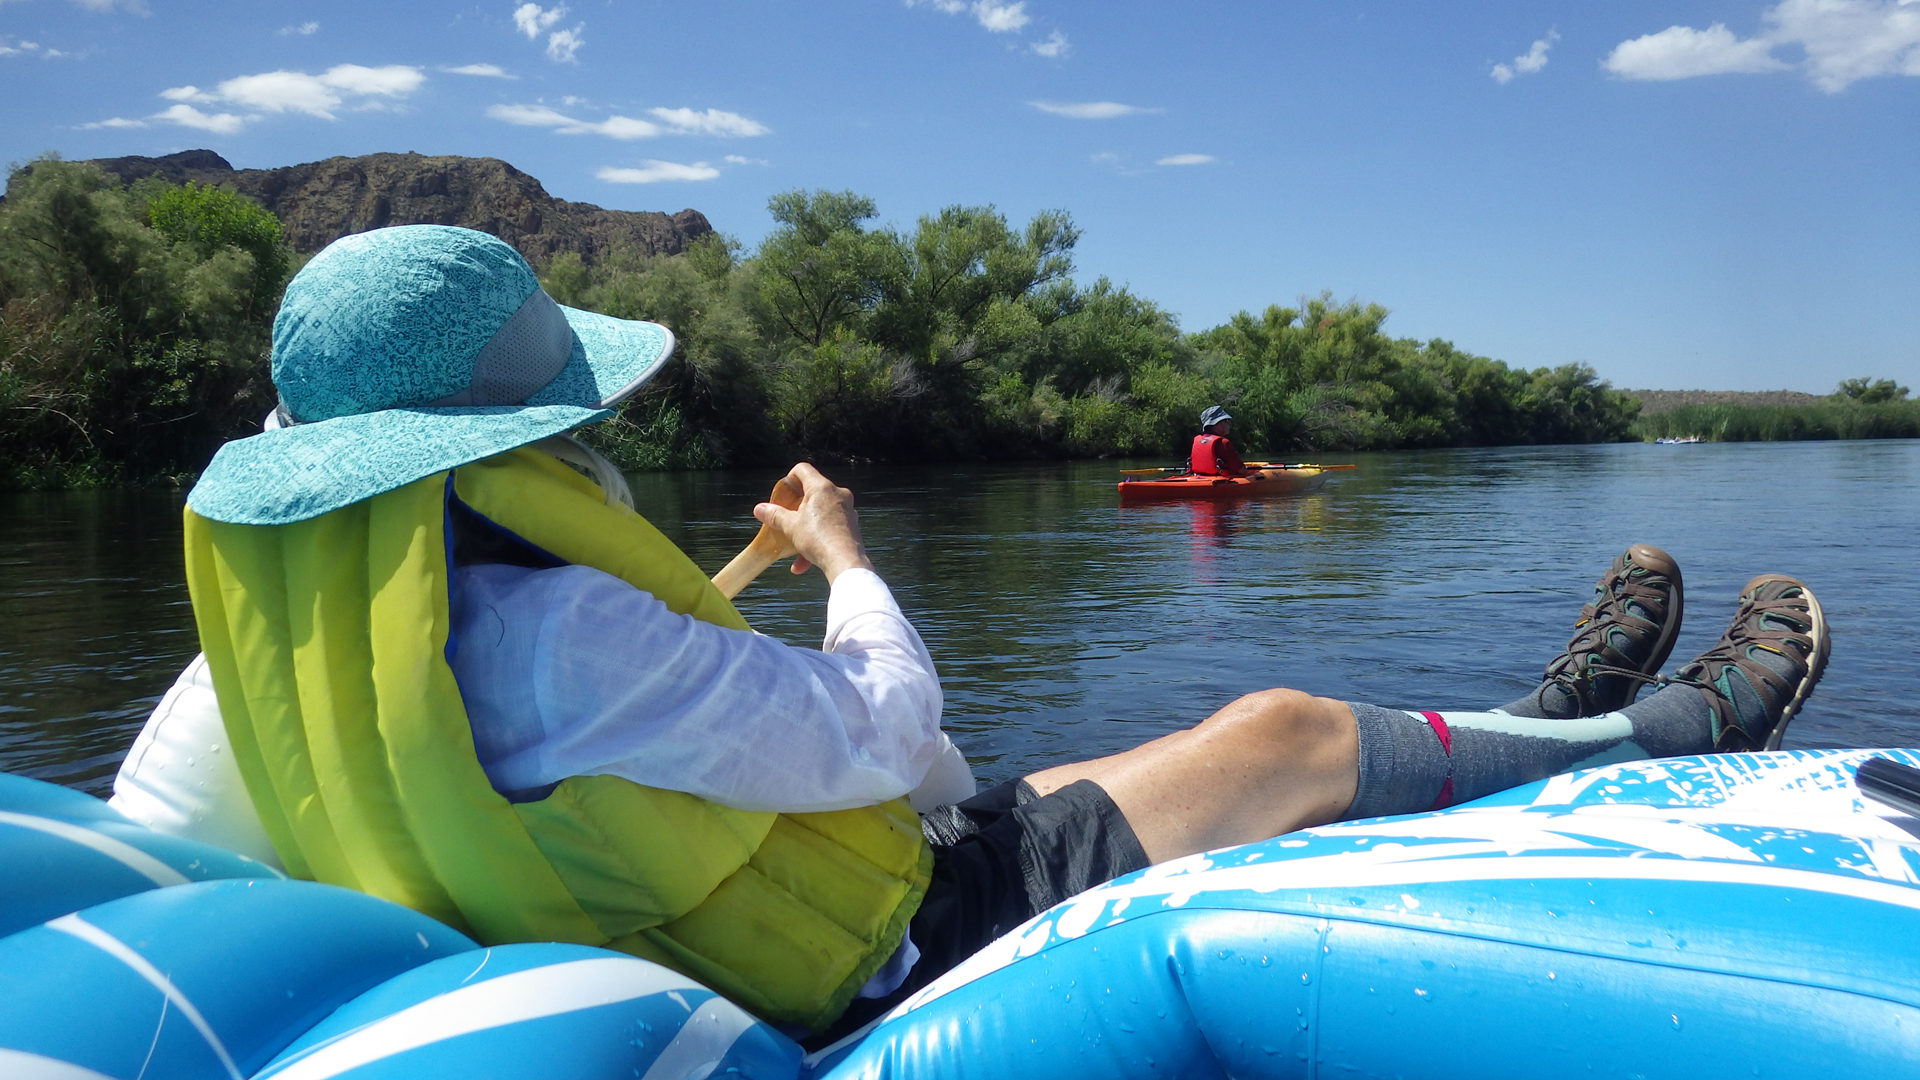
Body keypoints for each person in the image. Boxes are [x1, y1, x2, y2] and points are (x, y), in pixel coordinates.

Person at [113, 226, 1832, 1044]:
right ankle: (1649, 731)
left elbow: (539, 751)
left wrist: (729, 601)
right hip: (871, 950)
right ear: (518, 449)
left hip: (738, 902)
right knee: (1278, 731)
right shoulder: (562, 630)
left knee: (1089, 773)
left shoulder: (263, 673)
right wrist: (847, 558)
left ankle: (1537, 709)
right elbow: (888, 727)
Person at [1190, 404, 1249, 477]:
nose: (1229, 423)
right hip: (1219, 483)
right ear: (1216, 424)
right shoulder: (1223, 442)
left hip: (1198, 479)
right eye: (1226, 420)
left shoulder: (1196, 440)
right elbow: (1242, 471)